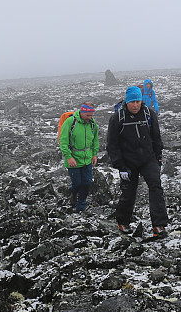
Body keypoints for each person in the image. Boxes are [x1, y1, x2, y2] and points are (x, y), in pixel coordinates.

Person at [108, 85, 169, 236]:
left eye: (138, 101)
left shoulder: (149, 114)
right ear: (127, 102)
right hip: (128, 161)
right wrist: (120, 166)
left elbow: (156, 137)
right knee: (128, 192)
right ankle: (123, 222)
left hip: (148, 159)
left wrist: (158, 157)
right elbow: (112, 145)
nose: (135, 105)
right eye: (132, 102)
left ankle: (159, 225)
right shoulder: (117, 118)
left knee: (156, 186)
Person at [59, 102, 99, 212]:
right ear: (82, 112)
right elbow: (63, 141)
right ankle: (73, 193)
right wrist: (68, 156)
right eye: (88, 115)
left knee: (86, 183)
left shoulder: (92, 123)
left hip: (87, 159)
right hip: (73, 159)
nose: (90, 118)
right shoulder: (70, 122)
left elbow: (95, 139)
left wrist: (95, 154)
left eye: (91, 115)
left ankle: (81, 205)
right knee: (77, 183)